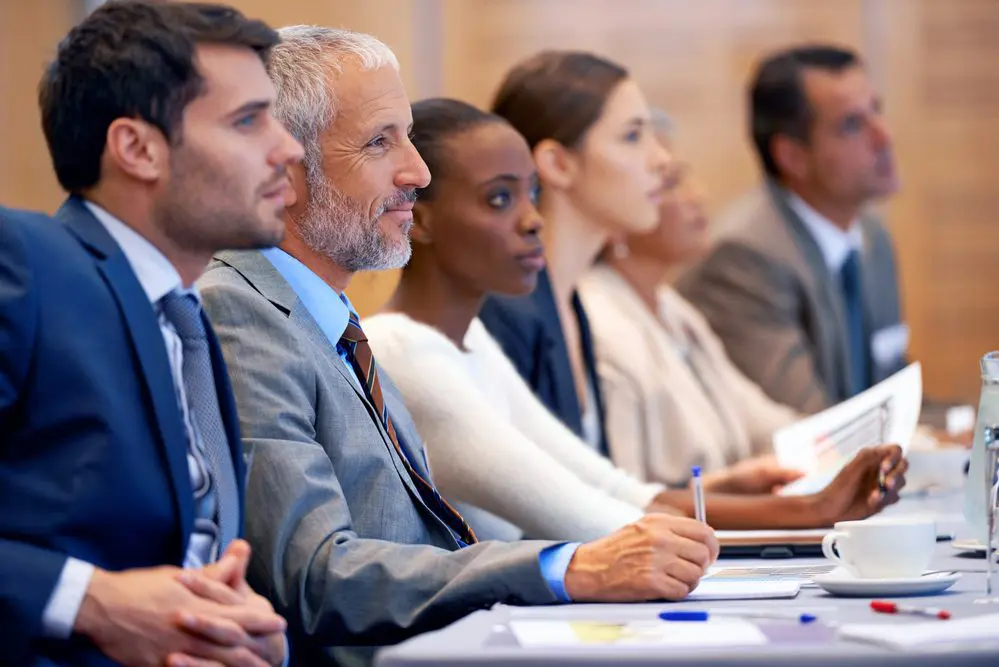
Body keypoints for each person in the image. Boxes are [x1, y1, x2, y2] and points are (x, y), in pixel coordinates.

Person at [196, 27, 719, 667]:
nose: (416, 171)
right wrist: (566, 569)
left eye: (408, 136)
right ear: (286, 165)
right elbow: (315, 575)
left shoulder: (326, 317)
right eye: (378, 142)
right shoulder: (240, 311)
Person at [476, 50, 906, 525]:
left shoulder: (569, 302)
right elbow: (562, 512)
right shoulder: (522, 312)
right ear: (558, 164)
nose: (660, 162)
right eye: (633, 136)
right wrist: (800, 509)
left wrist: (720, 491)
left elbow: (599, 491)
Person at [0, 2, 303, 666]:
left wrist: (249, 636)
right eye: (248, 121)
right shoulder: (24, 260)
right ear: (137, 148)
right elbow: (121, 598)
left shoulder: (188, 318)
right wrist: (92, 599)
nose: (289, 148)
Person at [677, 45, 906, 414]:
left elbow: (894, 399)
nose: (884, 137)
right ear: (792, 156)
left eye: (876, 110)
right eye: (852, 125)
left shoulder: (872, 238)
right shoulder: (745, 258)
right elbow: (811, 427)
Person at [579, 113, 801, 487]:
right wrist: (725, 487)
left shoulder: (672, 307)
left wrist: (856, 444)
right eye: (669, 182)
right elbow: (620, 498)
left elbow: (763, 421)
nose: (698, 196)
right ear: (612, 209)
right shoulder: (601, 320)